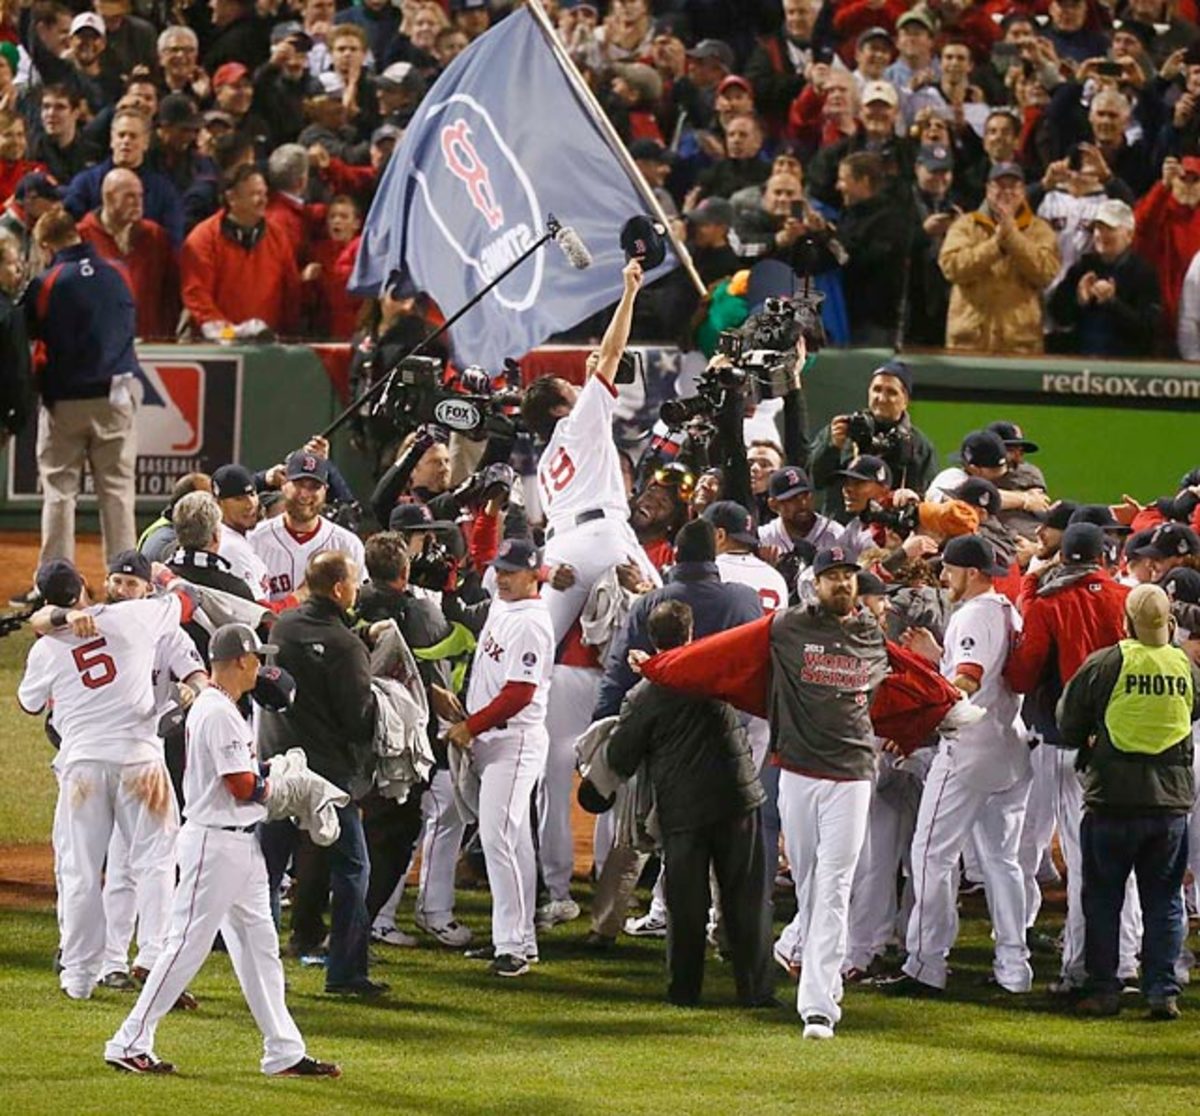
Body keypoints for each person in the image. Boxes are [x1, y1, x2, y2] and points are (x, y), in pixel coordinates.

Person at [642, 546, 891, 1040]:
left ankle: (818, 1005)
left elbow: (902, 685)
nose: (842, 584)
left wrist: (946, 702)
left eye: (849, 576)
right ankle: (804, 956)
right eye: (832, 577)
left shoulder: (871, 635)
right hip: (798, 773)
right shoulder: (785, 629)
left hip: (854, 775)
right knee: (810, 882)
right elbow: (725, 654)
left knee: (836, 882)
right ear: (814, 584)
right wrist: (668, 664)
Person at [104, 622, 339, 1077]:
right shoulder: (217, 712)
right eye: (257, 659)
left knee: (259, 947)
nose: (261, 666)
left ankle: (284, 1050)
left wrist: (271, 770)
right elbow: (242, 786)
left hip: (239, 848)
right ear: (241, 661)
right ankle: (128, 1040)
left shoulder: (222, 707)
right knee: (184, 947)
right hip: (214, 846)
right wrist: (283, 787)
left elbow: (242, 774)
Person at [17, 561, 191, 1001]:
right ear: (86, 587)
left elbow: (30, 704)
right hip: (140, 761)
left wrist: (52, 625)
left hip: (83, 768)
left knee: (78, 871)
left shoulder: (46, 648)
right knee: (155, 862)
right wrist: (163, 574)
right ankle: (153, 958)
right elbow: (183, 601)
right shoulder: (138, 615)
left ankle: (78, 976)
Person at [880, 535, 1034, 995]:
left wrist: (935, 691)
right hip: (1010, 746)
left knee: (930, 856)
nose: (943, 577)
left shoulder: (972, 613)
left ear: (971, 572)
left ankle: (925, 966)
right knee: (1003, 863)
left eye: (948, 569)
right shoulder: (1008, 610)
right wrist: (939, 656)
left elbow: (967, 678)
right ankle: (1014, 969)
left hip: (969, 748)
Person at [607, 599, 773, 1007]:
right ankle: (755, 991)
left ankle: (684, 991)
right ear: (691, 632)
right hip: (737, 797)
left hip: (684, 808)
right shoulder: (712, 668)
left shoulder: (645, 694)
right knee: (745, 899)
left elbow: (620, 758)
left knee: (686, 904)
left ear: (651, 636)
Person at [1005, 522, 1138, 995]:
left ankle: (1082, 966)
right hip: (1129, 745)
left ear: (1064, 558)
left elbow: (1021, 675)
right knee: (1123, 852)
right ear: (1103, 557)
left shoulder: (1048, 603)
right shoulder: (1127, 598)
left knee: (1084, 860)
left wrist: (1028, 593)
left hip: (1070, 745)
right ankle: (1126, 956)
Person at [1057, 584, 1200, 1019]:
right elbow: (1192, 712)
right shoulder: (1185, 666)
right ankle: (1162, 990)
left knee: (1103, 899)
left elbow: (1066, 723)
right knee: (1165, 900)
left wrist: (1095, 735)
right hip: (1170, 804)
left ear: (1126, 621)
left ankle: (1104, 989)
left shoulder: (1106, 663)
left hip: (1111, 800)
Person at [521, 258, 658, 644]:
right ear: (557, 409)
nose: (578, 389)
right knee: (666, 617)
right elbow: (613, 353)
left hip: (561, 548)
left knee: (537, 646)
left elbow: (583, 427)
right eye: (570, 388)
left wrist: (585, 384)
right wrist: (629, 292)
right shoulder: (576, 424)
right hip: (603, 537)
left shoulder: (548, 456)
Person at [265, 551, 381, 996]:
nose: (356, 588)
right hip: (328, 776)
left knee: (268, 871)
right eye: (353, 581)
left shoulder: (284, 626)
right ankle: (346, 974)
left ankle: (263, 968)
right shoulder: (346, 645)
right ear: (338, 589)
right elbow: (357, 719)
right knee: (352, 868)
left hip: (279, 768)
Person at [447, 538, 555, 978]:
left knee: (499, 839)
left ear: (535, 575)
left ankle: (511, 946)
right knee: (515, 842)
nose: (502, 577)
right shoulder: (502, 604)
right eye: (499, 568)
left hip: (514, 741)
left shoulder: (532, 621)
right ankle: (518, 940)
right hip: (491, 738)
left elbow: (519, 693)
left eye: (512, 571)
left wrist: (470, 726)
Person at [23, 208, 138, 589]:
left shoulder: (47, 281)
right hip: (116, 395)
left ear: (45, 245)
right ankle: (125, 579)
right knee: (118, 492)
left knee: (59, 492)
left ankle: (55, 581)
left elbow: (30, 334)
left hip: (66, 401)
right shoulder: (118, 270)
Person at [939, 162, 1060, 354]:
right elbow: (952, 268)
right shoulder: (965, 225)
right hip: (968, 344)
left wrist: (1012, 238)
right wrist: (996, 246)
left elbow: (1045, 272)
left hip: (1020, 346)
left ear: (1023, 191)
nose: (1007, 192)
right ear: (988, 189)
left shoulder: (1040, 229)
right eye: (1000, 186)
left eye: (1013, 186)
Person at [180, 164, 303, 338]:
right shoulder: (203, 238)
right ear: (231, 198)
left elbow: (290, 292)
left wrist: (285, 336)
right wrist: (229, 334)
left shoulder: (278, 236)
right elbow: (196, 295)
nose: (262, 200)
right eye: (254, 194)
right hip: (216, 347)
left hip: (267, 346)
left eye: (264, 193)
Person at [808, 359, 938, 518]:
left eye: (891, 392)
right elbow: (815, 481)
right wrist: (832, 447)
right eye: (877, 389)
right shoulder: (842, 431)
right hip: (840, 529)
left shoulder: (919, 445)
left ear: (906, 401)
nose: (882, 398)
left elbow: (926, 500)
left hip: (889, 534)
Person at [249, 449, 365, 602]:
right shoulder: (254, 539)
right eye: (298, 484)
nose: (304, 494)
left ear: (325, 490)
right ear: (283, 484)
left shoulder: (347, 544)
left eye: (314, 486)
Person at [77, 167, 180, 340]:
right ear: (108, 197)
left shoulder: (156, 236)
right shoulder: (81, 237)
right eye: (129, 196)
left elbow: (170, 294)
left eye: (140, 196)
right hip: (97, 349)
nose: (138, 203)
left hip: (150, 347)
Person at [1052, 198, 1160, 358]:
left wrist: (1113, 303)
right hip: (1080, 365)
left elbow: (1148, 331)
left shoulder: (1144, 273)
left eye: (1109, 228)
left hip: (1126, 368)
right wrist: (1079, 299)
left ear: (1129, 234)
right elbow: (1058, 315)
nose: (1101, 235)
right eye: (1097, 228)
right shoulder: (1082, 267)